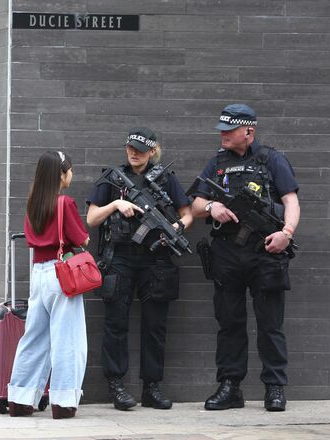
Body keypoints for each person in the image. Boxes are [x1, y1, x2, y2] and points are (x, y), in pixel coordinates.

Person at [190, 103, 300, 412]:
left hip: (266, 251)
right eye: (222, 129)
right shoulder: (217, 164)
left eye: (229, 129)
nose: (223, 134)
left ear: (248, 131)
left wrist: (286, 233)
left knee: (270, 324)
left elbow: (291, 200)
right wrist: (212, 208)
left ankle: (275, 387)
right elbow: (196, 203)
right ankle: (230, 387)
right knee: (229, 322)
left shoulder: (272, 160)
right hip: (227, 253)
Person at [86, 127, 193, 411]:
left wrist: (175, 228)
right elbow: (92, 218)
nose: (133, 153)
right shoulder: (112, 178)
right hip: (120, 257)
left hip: (155, 258)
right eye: (130, 148)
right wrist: (116, 204)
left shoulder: (165, 179)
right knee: (116, 322)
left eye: (140, 149)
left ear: (152, 152)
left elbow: (187, 213)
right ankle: (116, 385)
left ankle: (152, 387)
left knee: (155, 325)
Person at [8, 151, 89, 420]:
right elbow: (82, 239)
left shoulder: (34, 203)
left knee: (34, 337)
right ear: (62, 174)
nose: (72, 175)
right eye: (70, 170)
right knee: (68, 339)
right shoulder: (65, 203)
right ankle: (63, 402)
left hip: (39, 275)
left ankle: (19, 399)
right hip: (61, 275)